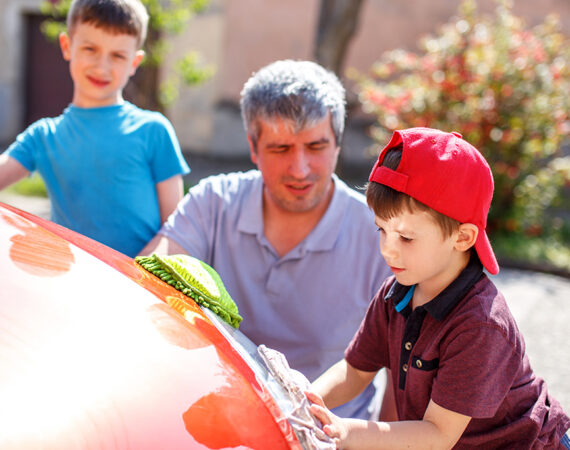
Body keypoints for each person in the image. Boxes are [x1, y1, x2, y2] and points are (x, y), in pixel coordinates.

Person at [141, 59, 392, 419]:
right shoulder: (213, 202)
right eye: (281, 149)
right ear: (254, 147)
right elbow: (148, 282)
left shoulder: (380, 236)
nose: (300, 168)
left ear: (338, 144)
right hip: (216, 420)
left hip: (326, 436)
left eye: (316, 146)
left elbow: (406, 375)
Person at [306, 127, 570, 448]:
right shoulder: (396, 294)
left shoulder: (480, 325)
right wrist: (305, 400)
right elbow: (354, 371)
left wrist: (347, 431)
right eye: (381, 229)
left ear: (462, 237)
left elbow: (436, 435)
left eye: (405, 237)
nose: (387, 249)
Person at [0, 0, 189, 257]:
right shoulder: (42, 137)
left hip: (139, 288)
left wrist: (136, 274)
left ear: (135, 62)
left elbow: (176, 228)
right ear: (67, 46)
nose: (102, 67)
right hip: (71, 286)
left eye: (118, 55)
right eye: (90, 49)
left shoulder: (154, 131)